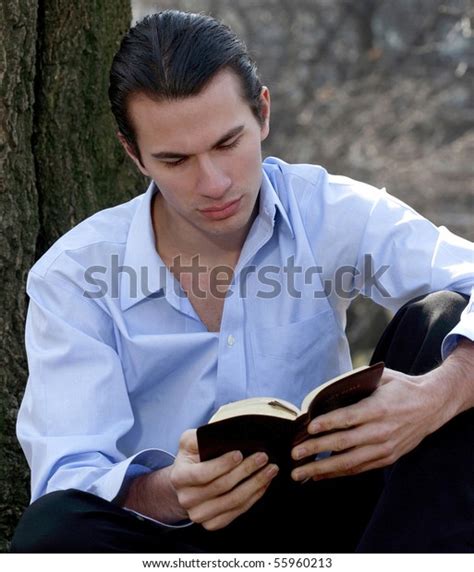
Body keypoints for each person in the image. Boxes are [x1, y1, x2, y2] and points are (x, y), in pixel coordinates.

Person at [11, 10, 473, 553]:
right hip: (179, 543)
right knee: (52, 532)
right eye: (176, 159)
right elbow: (67, 475)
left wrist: (438, 395)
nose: (214, 183)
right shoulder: (74, 274)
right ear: (134, 155)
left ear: (263, 115)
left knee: (447, 323)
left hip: (343, 519)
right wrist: (171, 492)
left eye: (228, 143)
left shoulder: (328, 209)